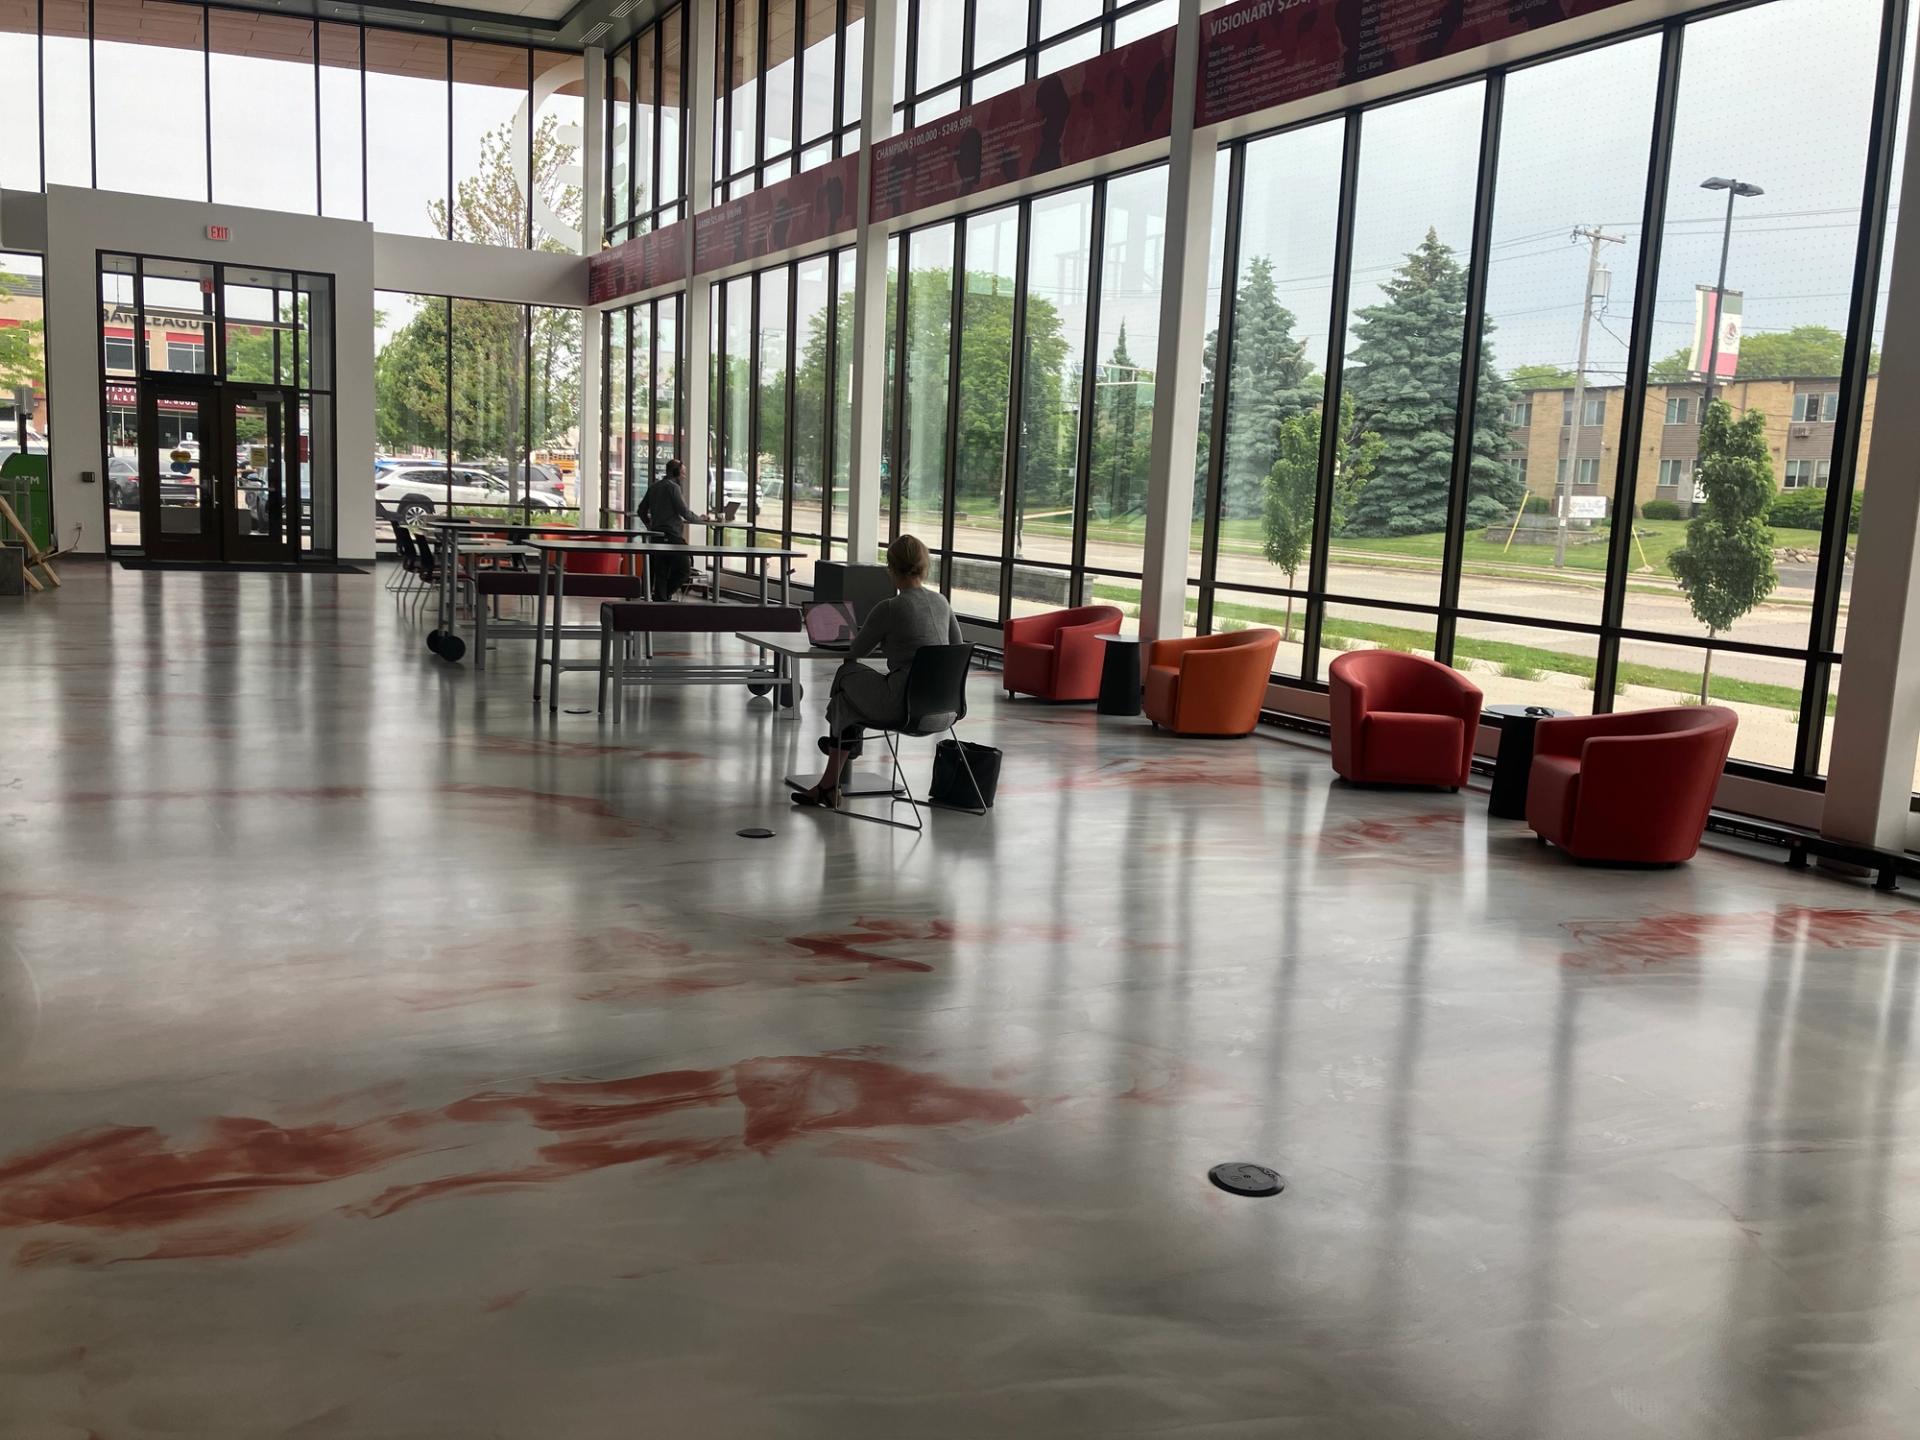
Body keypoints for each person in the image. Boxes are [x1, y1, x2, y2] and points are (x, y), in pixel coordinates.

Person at [791, 533, 963, 810]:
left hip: (904, 707)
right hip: (943, 709)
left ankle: (841, 747)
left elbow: (856, 651)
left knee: (847, 674)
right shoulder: (942, 602)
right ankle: (829, 780)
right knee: (848, 700)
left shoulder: (890, 607)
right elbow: (955, 648)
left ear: (890, 568)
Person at [635, 458, 712, 600]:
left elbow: (641, 510)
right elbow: (684, 511)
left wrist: (650, 525)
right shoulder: (673, 488)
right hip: (671, 535)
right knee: (684, 568)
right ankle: (662, 596)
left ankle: (661, 598)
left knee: (661, 571)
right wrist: (701, 519)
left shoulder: (654, 486)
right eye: (683, 473)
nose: (684, 476)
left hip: (656, 536)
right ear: (675, 472)